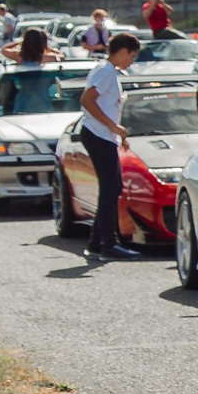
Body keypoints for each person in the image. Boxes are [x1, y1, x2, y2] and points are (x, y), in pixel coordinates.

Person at [79, 33, 142, 261]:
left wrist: (117, 132)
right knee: (110, 189)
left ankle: (97, 243)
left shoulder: (108, 71)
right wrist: (113, 127)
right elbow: (87, 100)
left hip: (103, 136)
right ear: (123, 51)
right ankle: (108, 244)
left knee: (111, 188)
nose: (132, 62)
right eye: (132, 56)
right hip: (98, 135)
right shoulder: (105, 71)